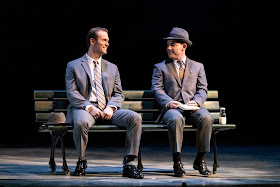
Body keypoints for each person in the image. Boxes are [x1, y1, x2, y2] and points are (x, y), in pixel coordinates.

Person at [65, 27, 143, 179]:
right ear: (92, 41)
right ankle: (81, 160)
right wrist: (89, 107)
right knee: (80, 122)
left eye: (108, 40)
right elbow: (72, 93)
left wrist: (111, 107)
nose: (108, 43)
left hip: (107, 109)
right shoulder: (73, 65)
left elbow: (119, 93)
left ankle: (129, 163)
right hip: (85, 108)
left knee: (135, 118)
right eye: (104, 40)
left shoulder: (112, 67)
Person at [151, 27, 213, 177]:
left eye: (172, 45)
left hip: (192, 107)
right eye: (168, 45)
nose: (168, 48)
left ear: (183, 46)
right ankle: (177, 160)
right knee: (176, 118)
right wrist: (168, 102)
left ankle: (200, 159)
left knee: (206, 118)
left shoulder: (198, 66)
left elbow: (202, 89)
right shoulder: (160, 67)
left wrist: (197, 102)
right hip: (172, 108)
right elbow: (157, 89)